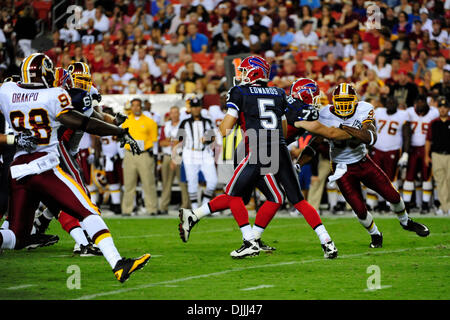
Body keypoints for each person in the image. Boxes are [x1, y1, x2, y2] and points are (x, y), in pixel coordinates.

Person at [0, 53, 150, 282]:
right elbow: (85, 123)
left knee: (16, 237)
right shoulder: (54, 95)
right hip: (45, 167)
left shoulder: (7, 91)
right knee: (87, 209)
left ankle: (51, 229)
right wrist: (119, 131)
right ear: (46, 73)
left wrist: (11, 139)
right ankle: (118, 263)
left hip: (18, 170)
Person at [179, 57, 337, 259]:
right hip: (276, 147)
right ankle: (327, 242)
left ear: (253, 73)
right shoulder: (279, 93)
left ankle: (248, 240)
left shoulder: (240, 91)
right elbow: (284, 128)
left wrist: (221, 130)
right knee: (288, 198)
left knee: (237, 195)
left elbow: (226, 129)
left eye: (244, 71)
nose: (241, 75)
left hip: (256, 147)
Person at [295, 83, 430, 248]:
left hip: (362, 161)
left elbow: (370, 138)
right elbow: (314, 143)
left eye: (347, 101)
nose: (344, 105)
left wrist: (342, 128)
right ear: (334, 102)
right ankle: (375, 235)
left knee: (393, 196)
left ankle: (406, 222)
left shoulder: (364, 108)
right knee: (359, 209)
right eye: (340, 101)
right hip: (341, 168)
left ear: (356, 101)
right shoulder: (325, 113)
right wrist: (298, 164)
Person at [367, 96, 411, 212]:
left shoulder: (403, 115)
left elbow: (407, 135)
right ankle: (375, 203)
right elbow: (370, 130)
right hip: (377, 149)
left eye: (393, 102)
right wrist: (368, 147)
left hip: (393, 150)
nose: (391, 104)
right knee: (375, 177)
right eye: (389, 102)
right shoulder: (378, 112)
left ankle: (391, 204)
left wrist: (405, 153)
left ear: (397, 104)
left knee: (391, 178)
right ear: (385, 103)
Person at [174, 97, 217, 209]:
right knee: (192, 181)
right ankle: (194, 208)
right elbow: (178, 139)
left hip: (205, 152)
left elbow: (213, 137)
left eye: (197, 106)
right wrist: (175, 156)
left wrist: (207, 139)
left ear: (200, 107)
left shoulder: (207, 121)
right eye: (193, 107)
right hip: (190, 152)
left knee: (213, 181)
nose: (196, 109)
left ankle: (204, 204)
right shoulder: (185, 122)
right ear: (191, 109)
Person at [121, 98, 159, 216]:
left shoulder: (150, 122)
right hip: (129, 154)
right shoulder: (126, 121)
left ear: (141, 107)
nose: (136, 108)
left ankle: (152, 208)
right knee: (128, 184)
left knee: (148, 183)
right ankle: (127, 209)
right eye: (134, 105)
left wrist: (155, 156)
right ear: (131, 107)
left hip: (144, 155)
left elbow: (154, 141)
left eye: (138, 105)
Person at [403, 95, 439, 213]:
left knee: (426, 176)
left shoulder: (434, 113)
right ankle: (407, 204)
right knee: (409, 176)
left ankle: (425, 204)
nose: (419, 105)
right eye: (417, 102)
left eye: (422, 102)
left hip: (426, 148)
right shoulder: (408, 112)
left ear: (426, 103)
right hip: (412, 149)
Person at [159, 106, 189, 214]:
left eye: (176, 112)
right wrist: (174, 141)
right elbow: (161, 142)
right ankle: (163, 206)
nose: (174, 115)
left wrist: (171, 141)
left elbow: (184, 141)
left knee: (183, 182)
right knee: (166, 182)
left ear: (179, 114)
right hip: (167, 156)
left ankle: (186, 205)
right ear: (170, 114)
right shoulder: (165, 126)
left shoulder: (184, 125)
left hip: (180, 155)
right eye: (172, 113)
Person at [425, 97, 450, 215]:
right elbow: (428, 140)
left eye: (445, 107)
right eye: (440, 107)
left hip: (449, 155)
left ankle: (448, 206)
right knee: (440, 182)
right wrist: (426, 156)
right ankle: (444, 207)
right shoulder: (433, 123)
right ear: (438, 108)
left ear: (448, 109)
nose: (443, 109)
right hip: (437, 155)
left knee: (449, 181)